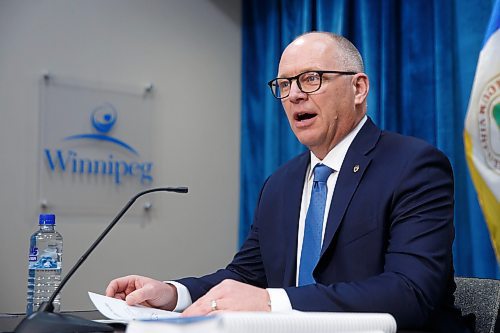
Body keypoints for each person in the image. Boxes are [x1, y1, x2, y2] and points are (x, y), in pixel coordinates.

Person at [106, 32, 471, 332]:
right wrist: (173, 293)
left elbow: (409, 293)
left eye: (311, 78)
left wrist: (270, 302)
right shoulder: (280, 184)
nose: (294, 94)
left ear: (359, 89)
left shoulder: (414, 166)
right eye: (284, 83)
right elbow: (244, 275)